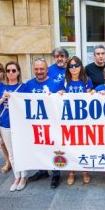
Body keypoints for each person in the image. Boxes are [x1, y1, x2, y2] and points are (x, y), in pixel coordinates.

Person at [26, 58, 65, 189]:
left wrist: (62, 93)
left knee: (53, 147)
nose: (39, 71)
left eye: (42, 69)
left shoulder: (56, 83)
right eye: (36, 69)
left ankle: (56, 174)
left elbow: (64, 98)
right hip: (35, 124)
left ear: (47, 69)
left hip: (52, 123)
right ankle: (42, 171)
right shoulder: (28, 84)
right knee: (38, 147)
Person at [0, 62, 28, 192]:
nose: (10, 73)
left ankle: (23, 177)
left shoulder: (24, 87)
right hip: (5, 125)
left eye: (13, 70)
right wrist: (2, 98)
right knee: (11, 154)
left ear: (18, 72)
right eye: (8, 71)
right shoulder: (1, 87)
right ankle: (16, 176)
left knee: (21, 151)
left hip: (20, 125)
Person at [64, 56, 93, 186]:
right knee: (70, 146)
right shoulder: (65, 82)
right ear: (68, 68)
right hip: (69, 120)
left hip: (83, 119)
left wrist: (92, 93)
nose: (74, 68)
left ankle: (85, 171)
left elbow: (89, 96)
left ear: (80, 66)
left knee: (84, 146)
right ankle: (71, 172)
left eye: (76, 65)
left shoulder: (87, 80)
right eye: (71, 66)